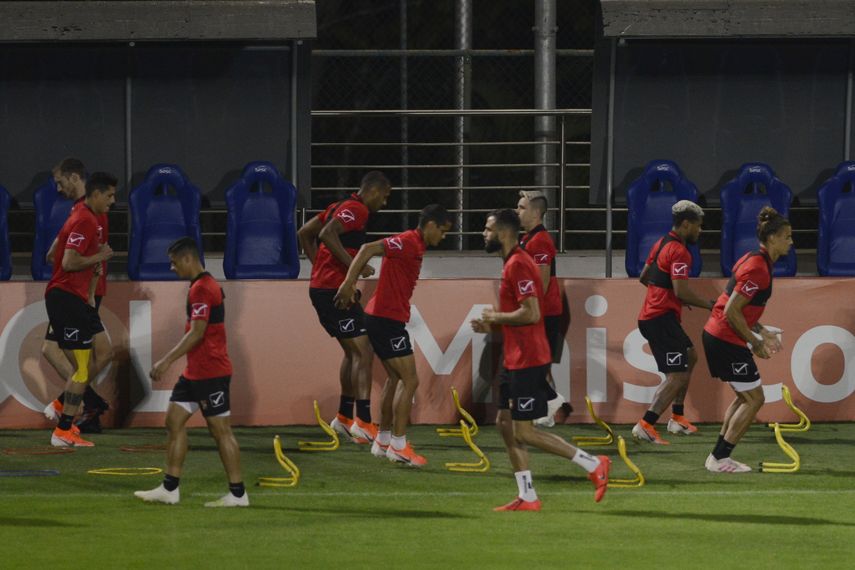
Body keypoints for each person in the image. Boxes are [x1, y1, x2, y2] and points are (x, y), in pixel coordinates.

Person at [471, 209, 610, 511]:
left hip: (529, 359)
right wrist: (495, 323)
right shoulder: (511, 263)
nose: (483, 233)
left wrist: (495, 318)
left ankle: (592, 463)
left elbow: (532, 313)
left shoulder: (519, 265)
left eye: (488, 228)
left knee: (524, 431)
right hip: (514, 358)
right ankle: (528, 496)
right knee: (505, 423)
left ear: (505, 233)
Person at [335, 205, 453, 467]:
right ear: (430, 224)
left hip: (384, 317)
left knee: (395, 379)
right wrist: (348, 283)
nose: (442, 238)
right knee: (410, 381)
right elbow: (368, 249)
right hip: (386, 319)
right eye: (442, 231)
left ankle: (383, 440)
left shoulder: (415, 245)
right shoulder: (409, 241)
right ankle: (399, 446)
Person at [134, 237, 248, 507]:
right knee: (173, 422)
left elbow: (197, 333)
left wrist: (165, 361)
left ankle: (238, 494)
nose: (172, 268)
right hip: (195, 373)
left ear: (187, 259)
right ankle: (170, 489)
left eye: (174, 263)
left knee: (220, 431)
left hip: (212, 373)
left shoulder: (202, 289)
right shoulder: (202, 286)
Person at [298, 171, 391, 444]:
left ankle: (343, 417)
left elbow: (304, 233)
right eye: (384, 197)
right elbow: (327, 234)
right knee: (364, 351)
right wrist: (351, 268)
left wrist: (320, 268)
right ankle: (362, 421)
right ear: (373, 191)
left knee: (353, 353)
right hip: (334, 291)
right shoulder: (357, 210)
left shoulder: (338, 206)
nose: (384, 203)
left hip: (325, 288)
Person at [701, 207, 791, 473]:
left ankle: (718, 456)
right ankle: (719, 459)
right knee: (754, 399)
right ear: (772, 238)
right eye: (787, 236)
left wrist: (761, 331)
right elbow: (731, 311)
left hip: (719, 336)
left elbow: (738, 307)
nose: (791, 241)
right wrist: (756, 341)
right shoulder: (758, 268)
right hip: (725, 339)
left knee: (745, 397)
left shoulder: (756, 260)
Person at [631, 200, 714, 445]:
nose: (699, 231)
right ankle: (646, 424)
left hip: (654, 315)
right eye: (697, 227)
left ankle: (677, 418)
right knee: (676, 375)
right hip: (660, 318)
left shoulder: (660, 243)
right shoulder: (680, 251)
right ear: (686, 224)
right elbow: (681, 291)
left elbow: (644, 277)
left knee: (690, 356)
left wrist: (665, 293)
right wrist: (710, 305)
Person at [45, 172, 116, 447]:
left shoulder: (92, 219)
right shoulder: (84, 219)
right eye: (109, 195)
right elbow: (68, 262)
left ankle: (64, 417)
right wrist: (101, 255)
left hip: (75, 299)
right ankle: (63, 429)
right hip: (65, 297)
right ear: (95, 194)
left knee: (88, 364)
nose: (113, 201)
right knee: (81, 369)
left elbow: (86, 265)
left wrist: (88, 295)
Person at [516, 190, 572, 427]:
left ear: (536, 213)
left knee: (533, 363)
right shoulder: (527, 238)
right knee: (537, 362)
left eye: (521, 207)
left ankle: (552, 403)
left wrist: (527, 311)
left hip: (543, 312)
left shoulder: (540, 241)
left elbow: (542, 281)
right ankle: (547, 410)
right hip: (538, 311)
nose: (517, 211)